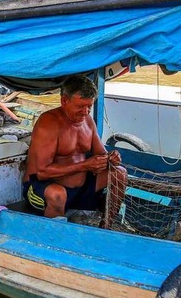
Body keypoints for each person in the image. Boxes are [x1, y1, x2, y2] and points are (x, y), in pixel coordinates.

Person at [23, 75, 127, 228]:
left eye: (89, 107)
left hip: (81, 188)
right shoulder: (49, 123)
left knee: (120, 173)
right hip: (42, 188)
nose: (85, 112)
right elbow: (42, 172)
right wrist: (85, 166)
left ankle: (106, 227)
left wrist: (111, 158)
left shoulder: (88, 121)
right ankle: (52, 238)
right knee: (58, 195)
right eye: (80, 107)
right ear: (64, 101)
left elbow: (101, 154)